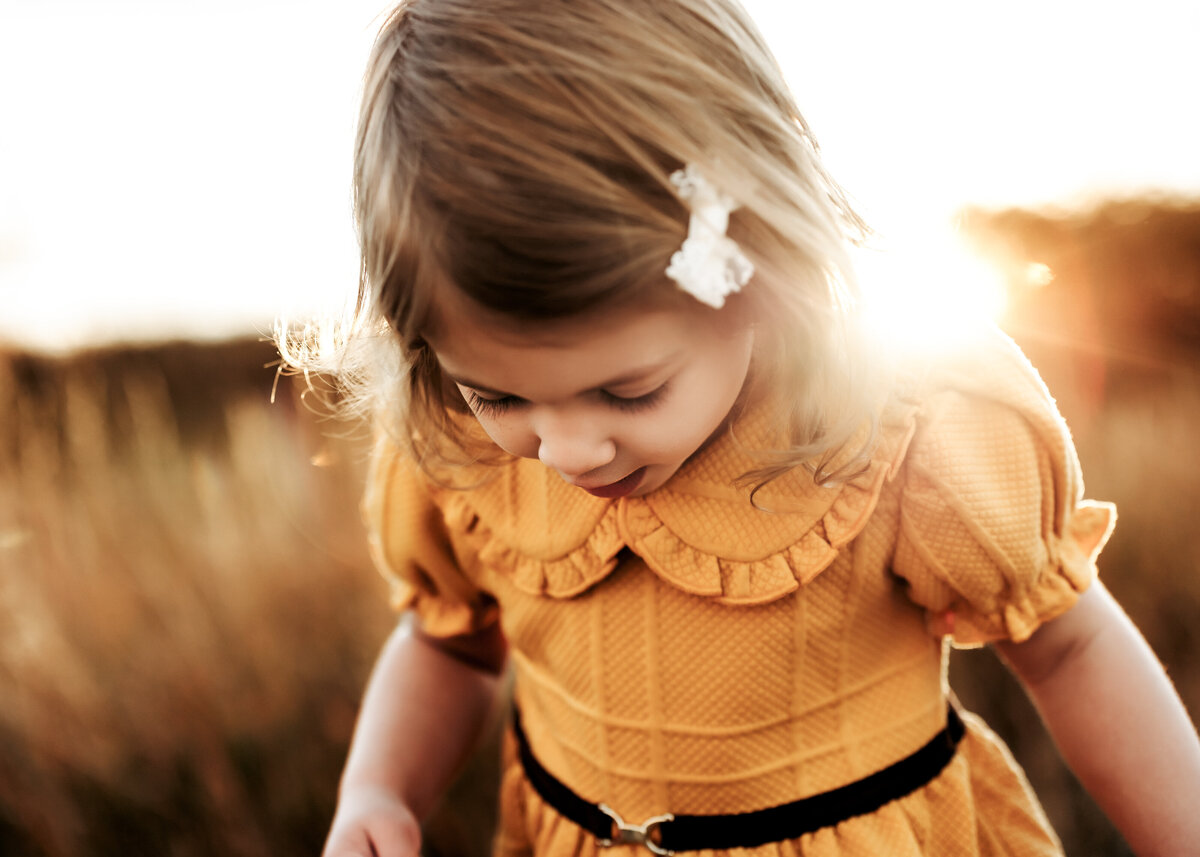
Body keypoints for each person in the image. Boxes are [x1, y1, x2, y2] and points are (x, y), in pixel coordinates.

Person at [284, 0, 1200, 854]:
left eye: (630, 391)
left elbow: (1070, 644)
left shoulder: (896, 432)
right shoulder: (462, 454)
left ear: (756, 273)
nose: (565, 451)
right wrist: (378, 788)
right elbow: (449, 642)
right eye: (499, 396)